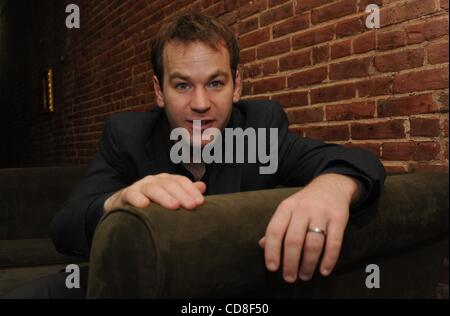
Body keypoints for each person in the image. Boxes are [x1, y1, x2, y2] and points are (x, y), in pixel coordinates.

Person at [4, 13, 385, 299]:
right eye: (182, 84)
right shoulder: (128, 136)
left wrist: (331, 188)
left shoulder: (261, 128)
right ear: (158, 91)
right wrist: (115, 201)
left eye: (216, 83)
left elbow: (360, 162)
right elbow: (65, 227)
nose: (200, 104)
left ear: (237, 86)